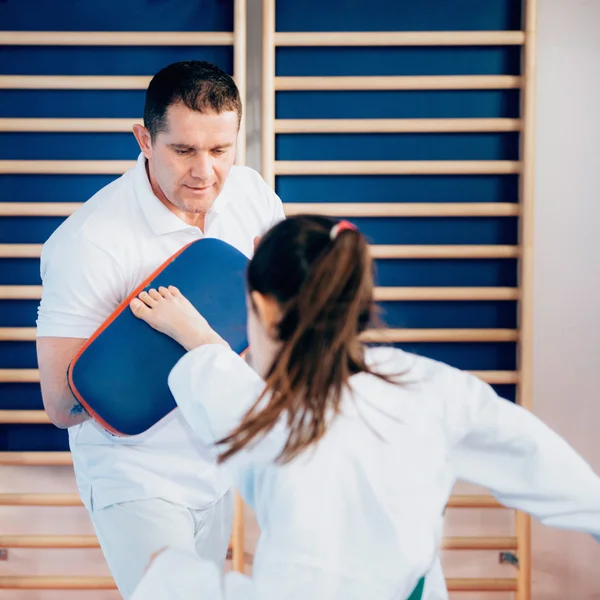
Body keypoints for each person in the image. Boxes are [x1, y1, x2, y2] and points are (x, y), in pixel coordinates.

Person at [127, 215, 600, 600]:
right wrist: (197, 336)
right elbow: (539, 460)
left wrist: (169, 578)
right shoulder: (429, 386)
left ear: (263, 309)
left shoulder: (277, 428)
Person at [35, 60, 285, 598]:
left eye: (220, 150)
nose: (205, 172)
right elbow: (60, 404)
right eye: (183, 150)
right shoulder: (90, 243)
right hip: (137, 476)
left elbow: (281, 309)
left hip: (218, 464)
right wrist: (151, 365)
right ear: (144, 139)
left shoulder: (250, 195)